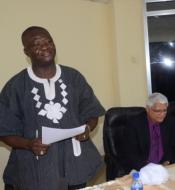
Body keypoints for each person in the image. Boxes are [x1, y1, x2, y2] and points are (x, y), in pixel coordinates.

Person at [0, 26, 105, 190]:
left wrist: (87, 128)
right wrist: (29, 144)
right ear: (26, 52)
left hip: (73, 164)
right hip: (35, 168)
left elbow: (91, 112)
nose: (45, 47)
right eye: (37, 44)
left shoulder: (73, 77)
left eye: (49, 41)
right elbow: (4, 130)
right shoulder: (16, 86)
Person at [123, 93, 175, 172]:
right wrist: (149, 168)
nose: (162, 114)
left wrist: (168, 161)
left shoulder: (171, 122)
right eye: (157, 111)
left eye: (164, 110)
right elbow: (131, 153)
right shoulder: (134, 124)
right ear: (148, 109)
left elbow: (174, 146)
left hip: (165, 166)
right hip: (143, 167)